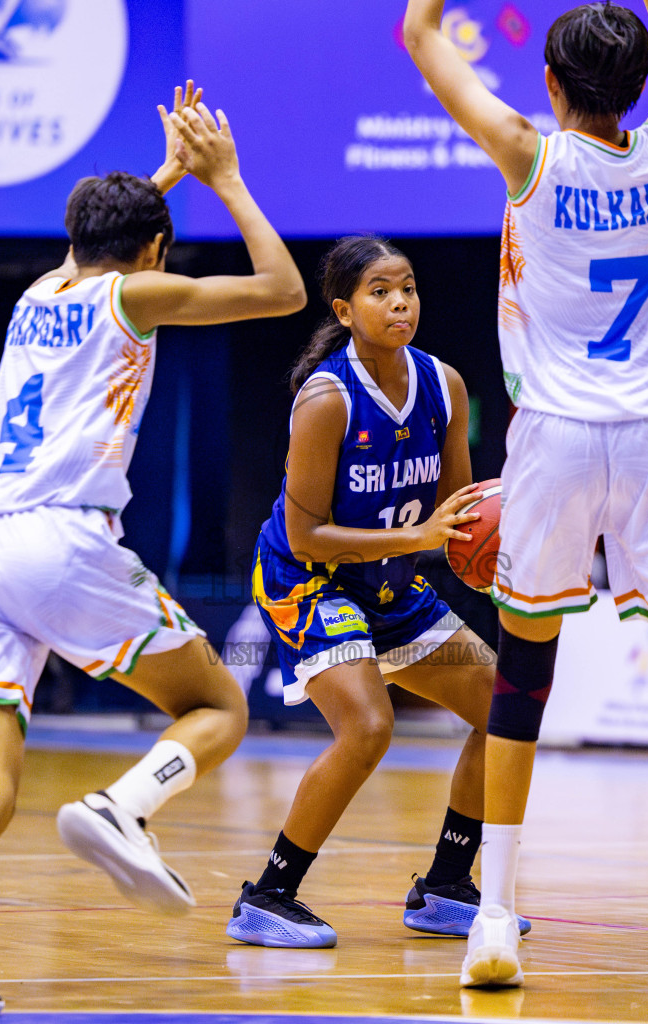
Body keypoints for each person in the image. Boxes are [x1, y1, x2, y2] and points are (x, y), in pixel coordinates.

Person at [0, 83, 306, 1017]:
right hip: (55, 538)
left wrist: (164, 181)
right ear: (153, 250)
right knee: (218, 703)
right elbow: (285, 291)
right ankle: (124, 807)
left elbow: (107, 238)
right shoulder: (137, 292)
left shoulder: (40, 291)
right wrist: (222, 181)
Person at [404, 0, 648, 1008]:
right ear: (635, 83)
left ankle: (493, 915)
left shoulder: (527, 156)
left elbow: (420, 38)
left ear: (553, 86)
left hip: (559, 438)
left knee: (525, 670)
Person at [225, 235, 531, 948]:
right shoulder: (328, 399)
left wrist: (508, 549)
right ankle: (268, 896)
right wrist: (418, 540)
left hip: (394, 584)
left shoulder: (444, 384)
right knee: (367, 727)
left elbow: (454, 511)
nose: (400, 303)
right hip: (310, 583)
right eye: (380, 292)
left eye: (409, 288)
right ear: (345, 308)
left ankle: (447, 887)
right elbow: (306, 539)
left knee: (500, 709)